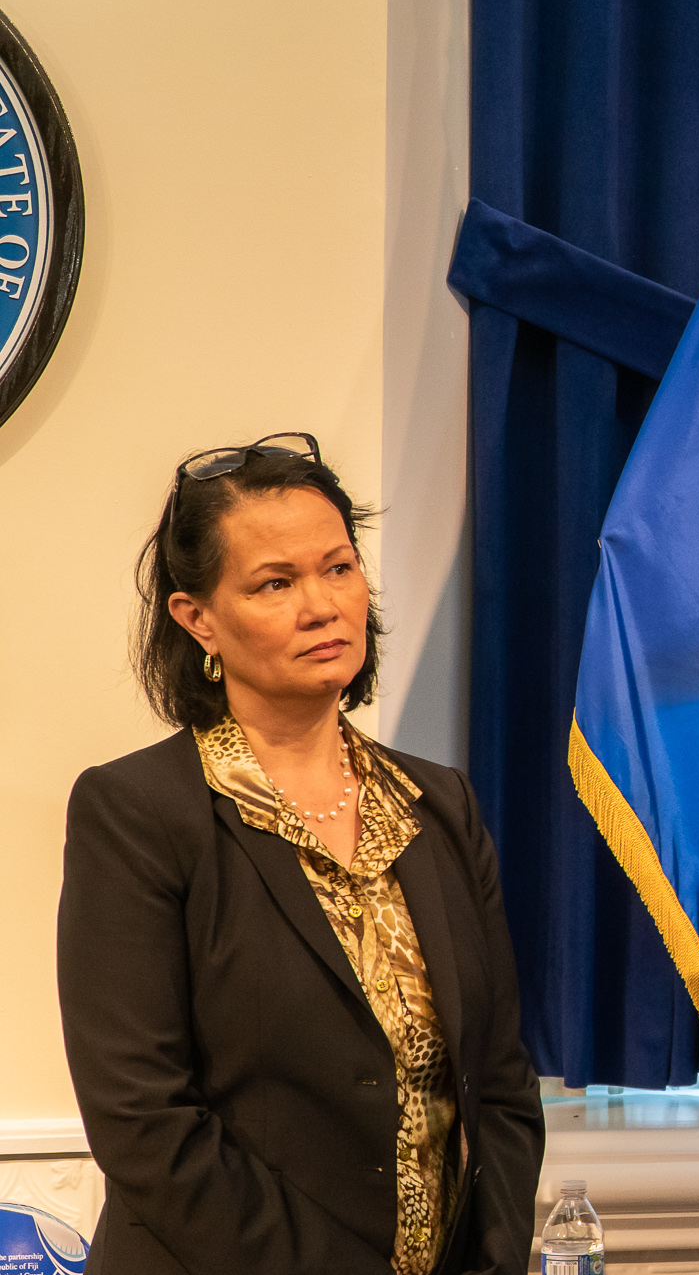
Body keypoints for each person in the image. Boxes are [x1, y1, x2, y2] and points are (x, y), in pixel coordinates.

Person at [58, 433, 544, 1274]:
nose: (322, 605)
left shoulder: (442, 806)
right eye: (275, 583)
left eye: (339, 567)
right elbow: (146, 1123)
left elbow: (500, 1085)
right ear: (196, 617)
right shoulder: (136, 813)